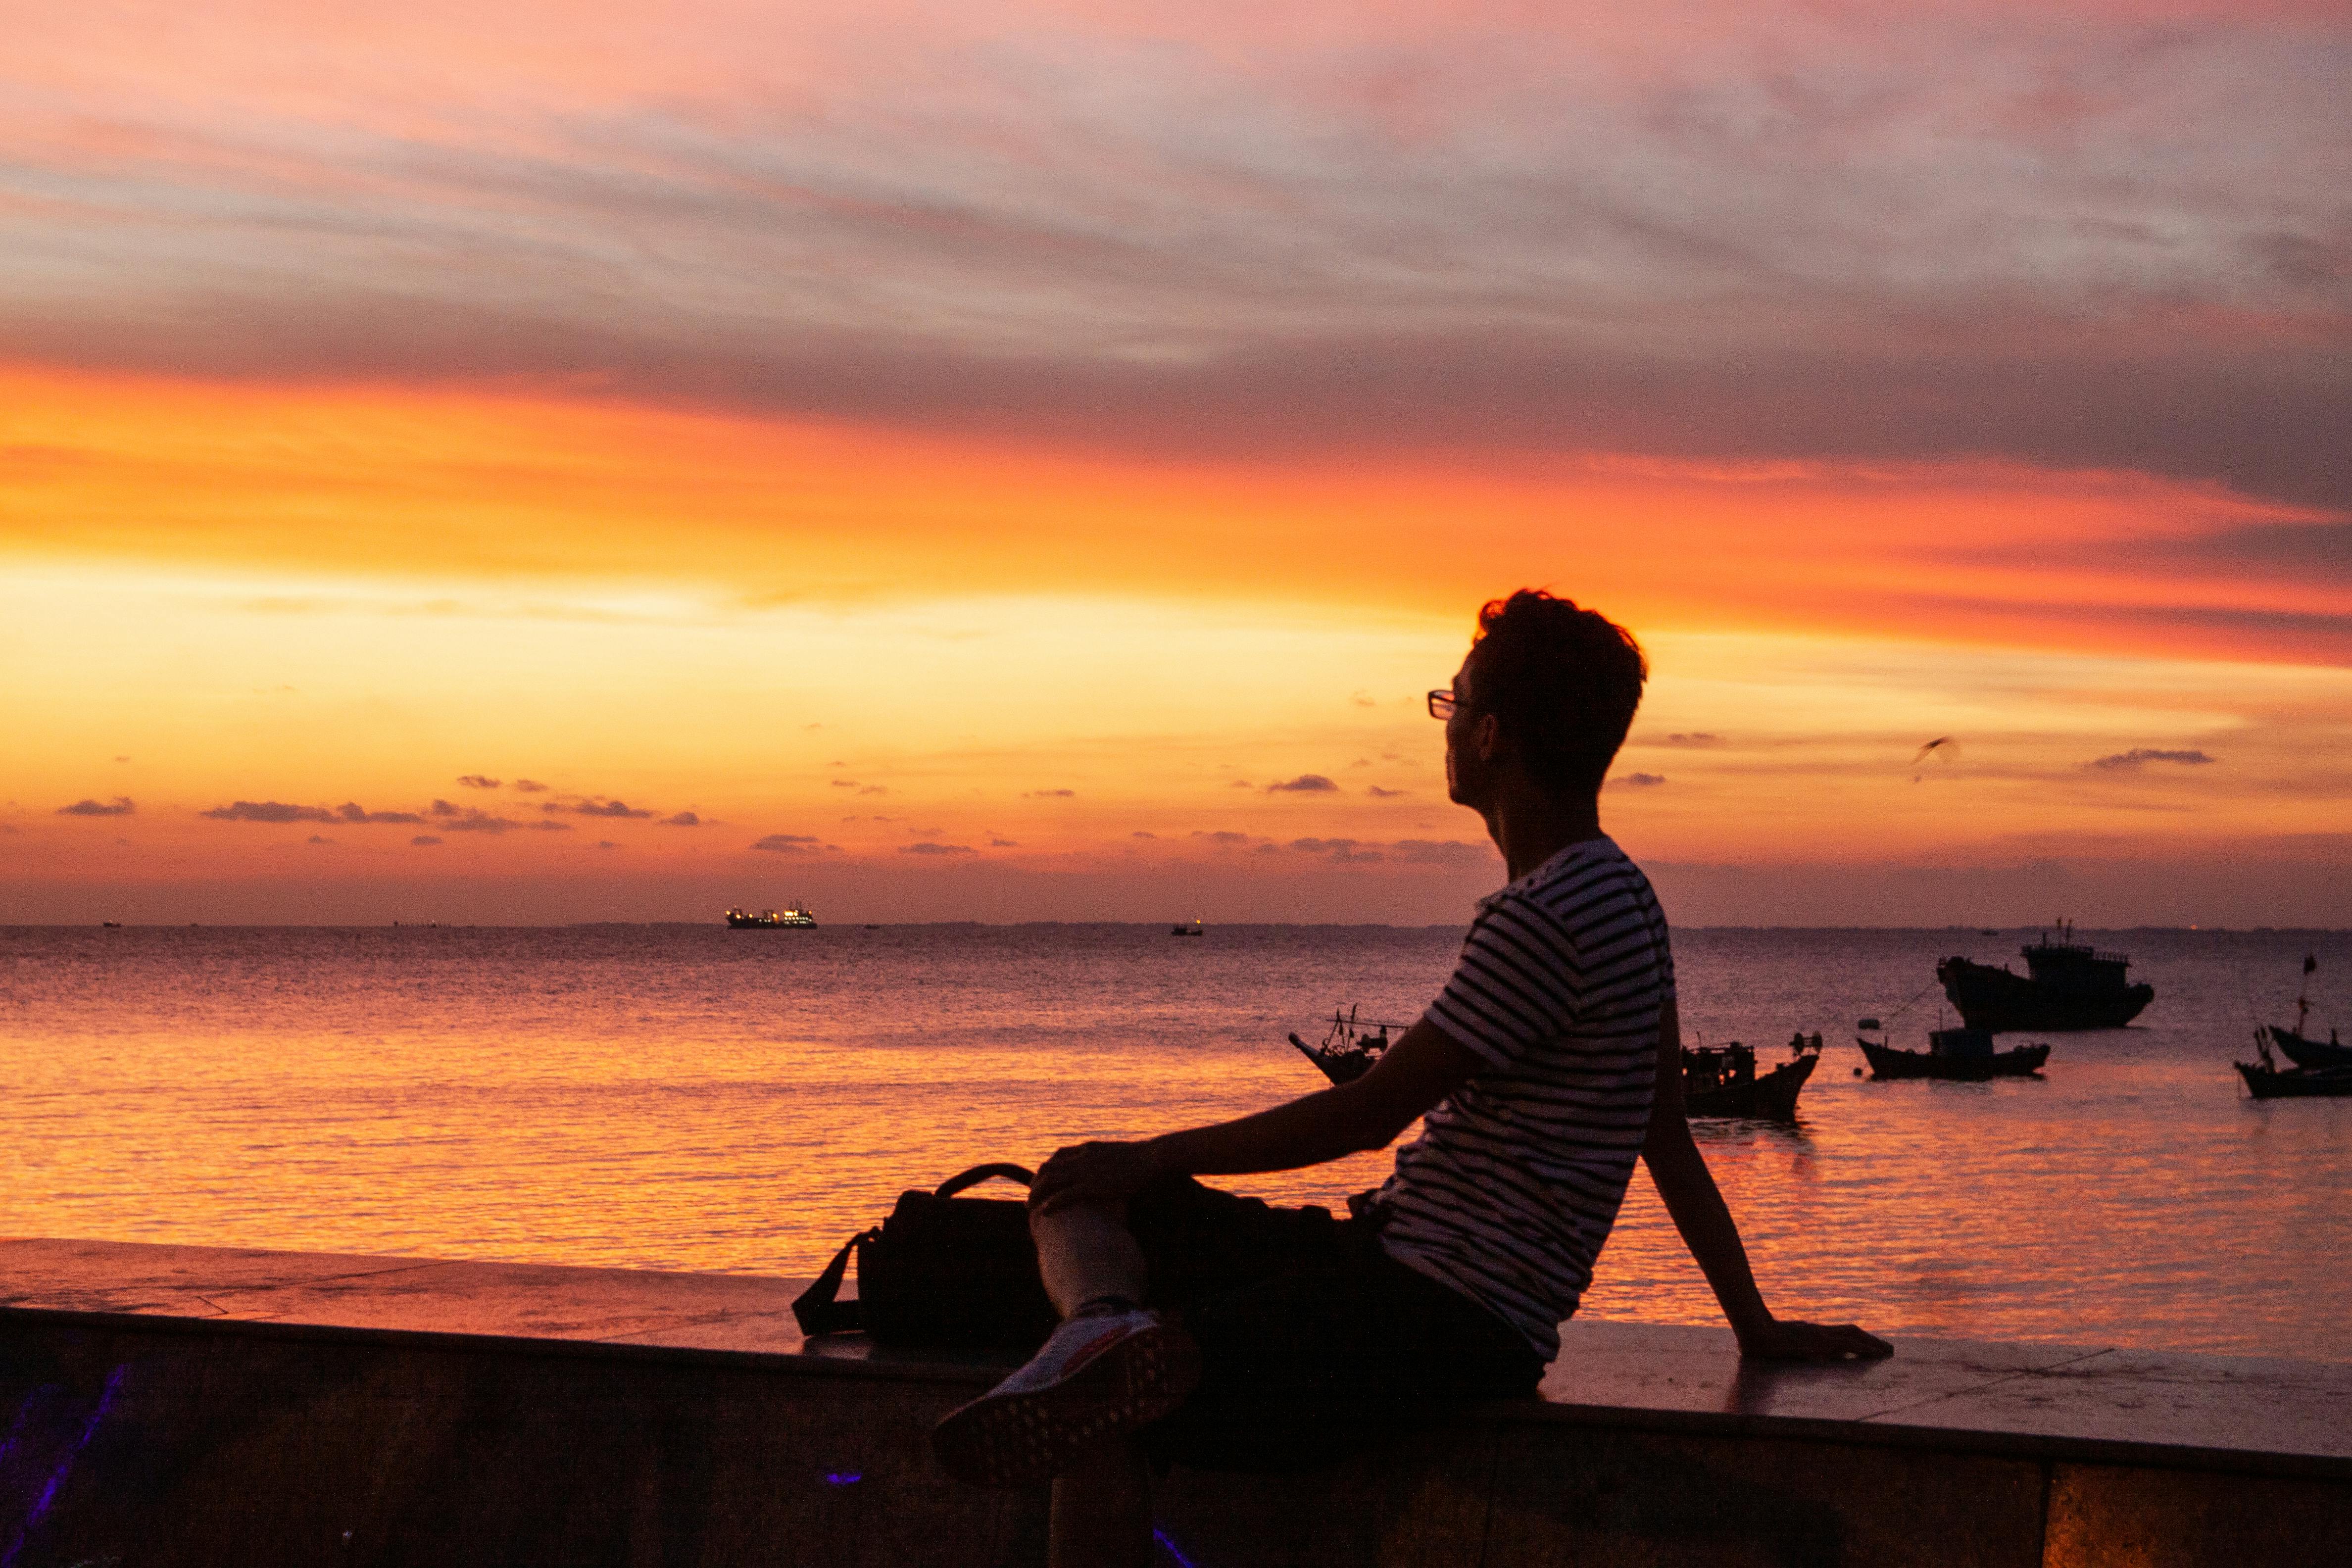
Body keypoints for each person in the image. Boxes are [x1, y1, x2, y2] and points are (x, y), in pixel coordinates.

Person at [931, 590, 1891, 1565]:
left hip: (1429, 1317)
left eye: (1452, 702)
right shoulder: (1625, 897)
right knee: (1068, 1184)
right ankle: (1101, 1331)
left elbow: (1370, 1113)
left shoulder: (1542, 920)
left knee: (1099, 1409)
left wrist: (1147, 1156)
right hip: (1405, 1275)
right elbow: (1667, 1136)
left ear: (1491, 736)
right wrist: (1754, 1324)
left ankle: (1101, 1360)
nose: (1442, 724)